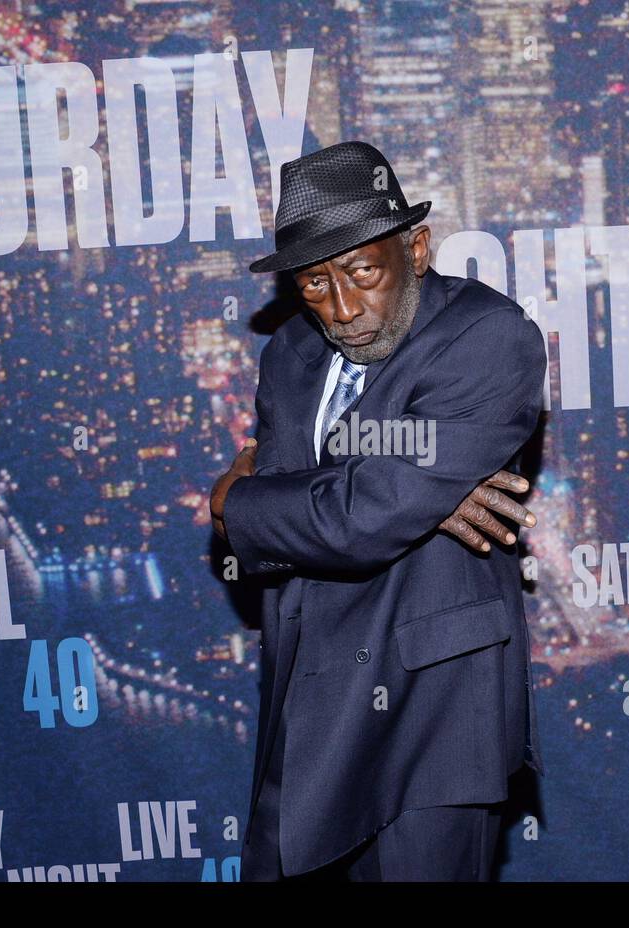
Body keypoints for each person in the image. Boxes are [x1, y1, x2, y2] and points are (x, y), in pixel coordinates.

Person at [210, 140, 546, 881]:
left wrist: (233, 499)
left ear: (416, 249)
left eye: (363, 271)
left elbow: (353, 520)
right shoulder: (290, 350)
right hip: (309, 700)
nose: (343, 308)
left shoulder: (488, 337)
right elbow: (350, 505)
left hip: (431, 716)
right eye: (315, 283)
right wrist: (416, 493)